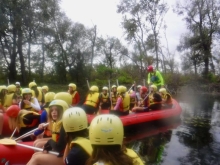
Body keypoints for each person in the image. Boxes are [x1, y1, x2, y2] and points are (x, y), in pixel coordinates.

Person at [27, 99, 69, 165]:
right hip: (59, 152)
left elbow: (59, 147)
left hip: (64, 156)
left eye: (56, 110)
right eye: (52, 110)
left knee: (36, 159)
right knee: (35, 155)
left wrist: (49, 143)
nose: (53, 112)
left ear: (63, 111)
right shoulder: (57, 122)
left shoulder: (64, 125)